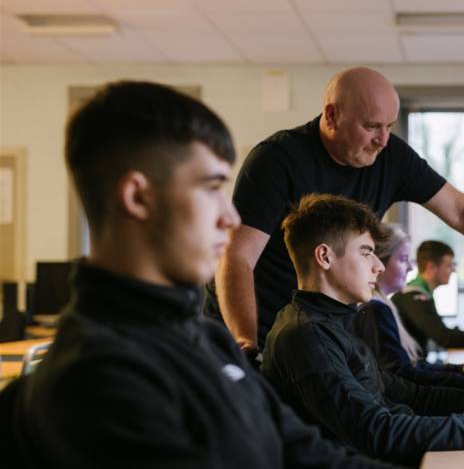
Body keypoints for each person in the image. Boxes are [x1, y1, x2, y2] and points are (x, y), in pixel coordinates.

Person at [0, 82, 394, 469]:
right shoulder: (95, 382)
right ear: (137, 197)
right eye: (210, 188)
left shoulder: (209, 339)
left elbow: (306, 453)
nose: (230, 217)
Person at [206, 66, 464, 357]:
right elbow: (237, 257)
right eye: (371, 127)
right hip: (253, 322)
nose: (382, 140)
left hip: (318, 326)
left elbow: (460, 210)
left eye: (389, 126)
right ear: (331, 116)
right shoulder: (277, 160)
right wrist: (245, 340)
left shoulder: (391, 156)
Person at [262, 193, 464, 466]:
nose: (378, 266)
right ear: (324, 256)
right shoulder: (307, 336)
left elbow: (412, 394)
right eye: (366, 252)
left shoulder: (330, 325)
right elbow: (378, 432)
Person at [352, 223, 464, 391]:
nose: (411, 267)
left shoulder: (386, 304)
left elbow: (412, 366)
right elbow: (442, 339)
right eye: (404, 259)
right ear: (379, 264)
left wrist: (460, 370)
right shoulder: (393, 304)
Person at [393, 240, 464, 351]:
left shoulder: (418, 294)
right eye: (448, 265)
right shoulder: (413, 297)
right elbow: (444, 337)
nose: (453, 270)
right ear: (431, 267)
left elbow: (443, 332)